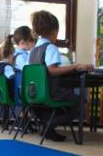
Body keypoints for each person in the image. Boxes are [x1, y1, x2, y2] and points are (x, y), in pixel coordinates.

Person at [29, 10, 94, 141]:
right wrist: (75, 66)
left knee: (64, 100)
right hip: (50, 92)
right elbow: (52, 70)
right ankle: (49, 125)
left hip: (34, 93)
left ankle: (48, 126)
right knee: (81, 102)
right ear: (53, 32)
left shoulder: (32, 51)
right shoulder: (50, 47)